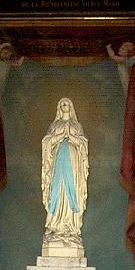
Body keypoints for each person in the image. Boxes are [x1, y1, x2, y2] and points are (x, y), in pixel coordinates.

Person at [41, 98, 89, 254]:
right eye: (62, 104)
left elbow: (83, 144)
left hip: (74, 165)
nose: (64, 106)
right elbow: (47, 143)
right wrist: (60, 136)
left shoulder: (76, 126)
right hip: (58, 165)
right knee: (57, 191)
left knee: (71, 192)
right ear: (59, 108)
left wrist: (71, 137)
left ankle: (70, 225)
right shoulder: (54, 126)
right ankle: (56, 225)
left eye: (66, 103)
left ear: (71, 107)